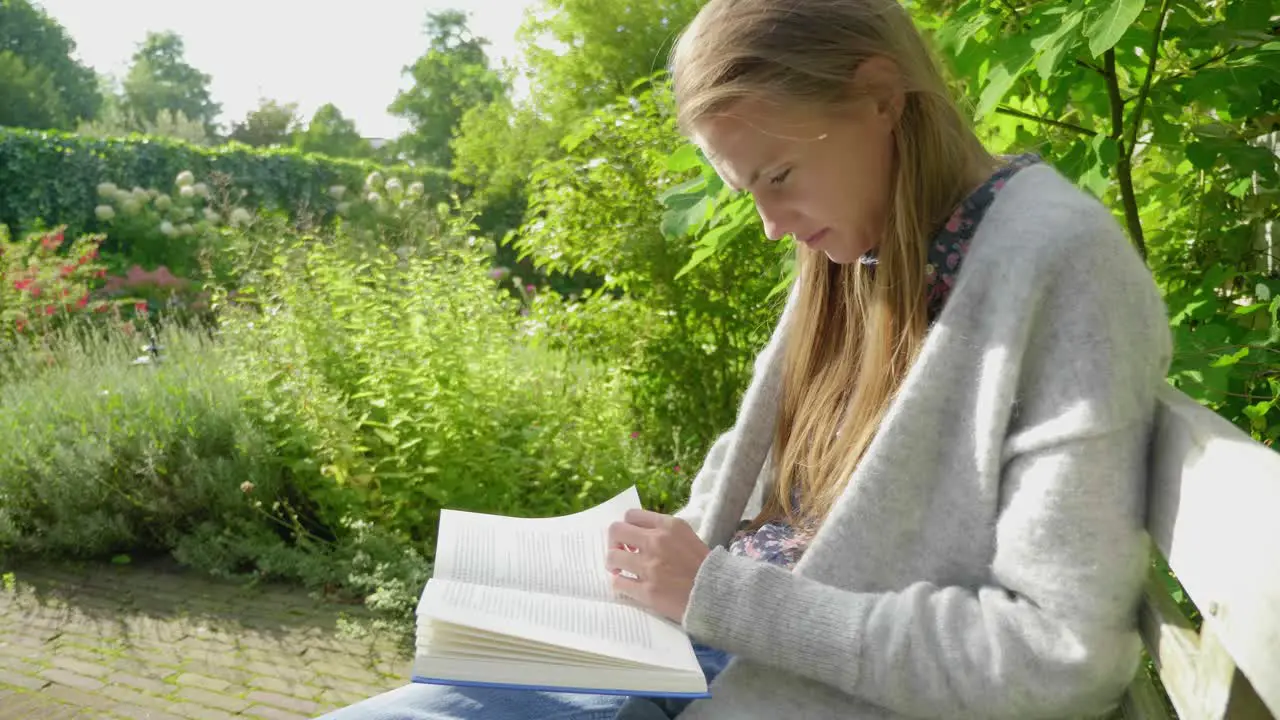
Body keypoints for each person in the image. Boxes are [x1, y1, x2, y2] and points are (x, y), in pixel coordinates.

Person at [318, 0, 1173, 717]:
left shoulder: (1058, 264)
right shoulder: (860, 256)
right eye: (746, 189)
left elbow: (1062, 655)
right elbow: (756, 515)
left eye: (779, 175)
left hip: (757, 680)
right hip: (692, 663)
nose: (770, 223)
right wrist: (655, 569)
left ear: (880, 95)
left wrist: (719, 596)